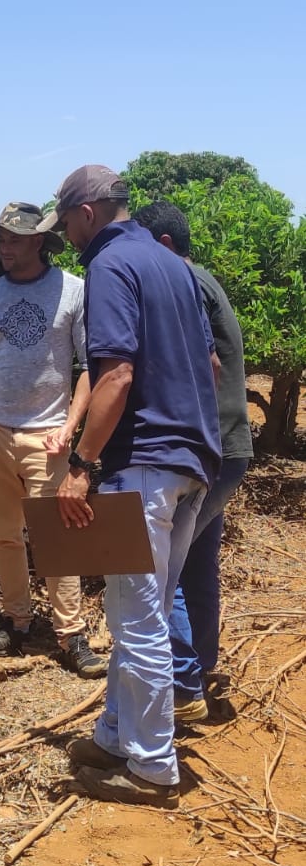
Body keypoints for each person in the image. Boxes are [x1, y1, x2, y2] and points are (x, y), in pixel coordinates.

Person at [36, 166, 221, 807]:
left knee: (137, 618)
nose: (65, 235)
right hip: (194, 464)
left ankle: (150, 765)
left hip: (145, 463)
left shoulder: (110, 267)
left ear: (86, 212)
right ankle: (117, 735)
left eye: (64, 223)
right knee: (137, 610)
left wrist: (83, 467)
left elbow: (114, 377)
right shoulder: (174, 265)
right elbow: (212, 362)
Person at [0, 201, 107, 678]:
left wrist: (70, 425)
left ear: (39, 242)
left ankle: (71, 635)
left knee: (55, 537)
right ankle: (17, 621)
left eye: (15, 239)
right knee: (4, 535)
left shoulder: (73, 292)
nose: (6, 248)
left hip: (48, 435)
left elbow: (87, 367)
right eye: (1, 239)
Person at [134, 200, 252, 716]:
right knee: (199, 564)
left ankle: (182, 685)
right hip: (225, 446)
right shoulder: (203, 279)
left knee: (171, 568)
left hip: (206, 450)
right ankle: (198, 665)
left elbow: (203, 366)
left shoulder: (183, 282)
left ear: (162, 246)